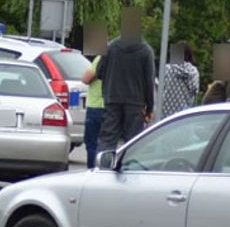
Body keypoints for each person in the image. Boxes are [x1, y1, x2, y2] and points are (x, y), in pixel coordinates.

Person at [95, 22, 155, 152]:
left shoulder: (111, 47)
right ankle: (128, 168)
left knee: (107, 139)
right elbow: (149, 83)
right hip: (136, 103)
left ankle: (103, 168)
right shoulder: (146, 51)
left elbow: (99, 72)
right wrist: (149, 108)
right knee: (133, 142)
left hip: (112, 99)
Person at [160, 41, 199, 118]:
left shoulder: (167, 69)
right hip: (183, 115)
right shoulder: (194, 72)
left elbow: (160, 90)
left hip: (165, 115)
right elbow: (195, 93)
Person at [81, 55, 103, 168]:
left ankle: (92, 171)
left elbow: (86, 78)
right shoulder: (121, 60)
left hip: (96, 106)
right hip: (113, 107)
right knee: (107, 143)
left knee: (92, 144)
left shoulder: (101, 58)